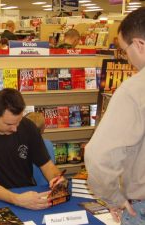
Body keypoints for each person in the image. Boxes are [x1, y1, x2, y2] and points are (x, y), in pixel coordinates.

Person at [85, 7, 145, 224]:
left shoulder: (134, 90)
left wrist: (113, 198)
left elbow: (98, 157)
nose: (126, 59)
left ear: (139, 44)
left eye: (124, 50)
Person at [0, 88, 64, 210]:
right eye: (9, 124)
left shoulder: (28, 127)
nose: (15, 129)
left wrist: (57, 180)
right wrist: (17, 199)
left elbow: (47, 165)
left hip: (28, 194)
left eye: (18, 122)